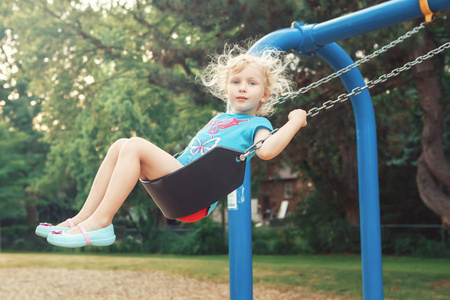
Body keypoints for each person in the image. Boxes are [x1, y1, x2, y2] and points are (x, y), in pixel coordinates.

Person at [36, 44, 308, 248]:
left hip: (195, 193)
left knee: (135, 145)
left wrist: (294, 121)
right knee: (121, 144)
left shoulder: (257, 124)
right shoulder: (222, 118)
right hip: (179, 186)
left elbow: (267, 150)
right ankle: (83, 218)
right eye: (236, 82)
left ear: (265, 93)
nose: (242, 88)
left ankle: (102, 222)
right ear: (226, 89)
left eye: (251, 83)